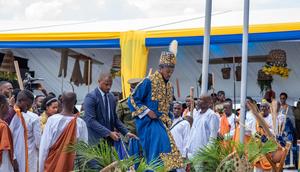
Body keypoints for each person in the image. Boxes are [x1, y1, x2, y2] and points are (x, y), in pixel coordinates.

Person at [128, 40, 184, 170]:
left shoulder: (170, 86)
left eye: (172, 71)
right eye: (167, 70)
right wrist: (147, 111)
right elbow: (132, 99)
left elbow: (169, 106)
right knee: (161, 151)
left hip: (163, 124)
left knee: (168, 152)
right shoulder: (149, 81)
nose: (169, 74)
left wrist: (168, 118)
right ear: (160, 68)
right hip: (149, 124)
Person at [39, 91, 88, 172]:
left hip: (52, 165)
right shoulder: (80, 123)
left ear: (60, 101)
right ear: (75, 102)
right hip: (72, 166)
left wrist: (41, 169)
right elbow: (83, 150)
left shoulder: (52, 120)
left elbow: (44, 148)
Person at [84, 73, 136, 145]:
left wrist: (126, 132)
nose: (109, 87)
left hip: (109, 141)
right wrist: (108, 133)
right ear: (99, 82)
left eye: (110, 85)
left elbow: (114, 119)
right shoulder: (91, 97)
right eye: (106, 84)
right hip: (96, 141)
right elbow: (90, 120)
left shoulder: (111, 97)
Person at [9, 90, 41, 172]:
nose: (28, 109)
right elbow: (38, 142)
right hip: (25, 155)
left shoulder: (12, 113)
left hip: (14, 154)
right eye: (27, 105)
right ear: (21, 101)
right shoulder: (13, 115)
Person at [185, 95, 219, 159]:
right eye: (198, 99)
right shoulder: (197, 113)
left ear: (208, 103)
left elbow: (213, 136)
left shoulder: (212, 115)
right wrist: (187, 147)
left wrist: (207, 153)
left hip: (203, 153)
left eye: (201, 100)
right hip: (192, 151)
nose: (198, 101)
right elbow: (192, 131)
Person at [116, 78, 142, 157]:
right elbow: (117, 123)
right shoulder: (122, 104)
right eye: (135, 90)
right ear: (131, 90)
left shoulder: (146, 104)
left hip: (143, 138)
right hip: (129, 140)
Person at [277, 92, 297, 168]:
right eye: (281, 98)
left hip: (287, 129)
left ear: (286, 98)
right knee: (280, 146)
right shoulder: (278, 107)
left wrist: (286, 119)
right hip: (279, 130)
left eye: (283, 98)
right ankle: (280, 162)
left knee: (288, 146)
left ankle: (288, 163)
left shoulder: (289, 107)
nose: (282, 99)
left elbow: (292, 118)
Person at [0, 94, 18, 172]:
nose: (9, 108)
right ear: (2, 106)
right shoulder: (3, 126)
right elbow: (5, 153)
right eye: (8, 105)